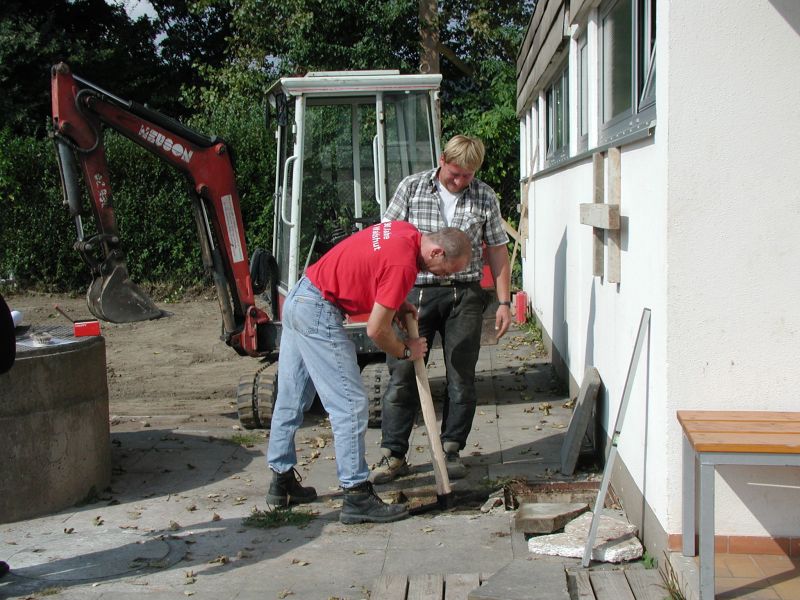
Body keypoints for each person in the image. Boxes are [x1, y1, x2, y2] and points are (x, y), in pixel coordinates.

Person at [266, 221, 472, 524]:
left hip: (301, 295)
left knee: (291, 397)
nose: (444, 276)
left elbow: (373, 266)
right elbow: (377, 330)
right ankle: (356, 495)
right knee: (349, 404)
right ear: (437, 251)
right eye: (447, 269)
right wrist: (406, 350)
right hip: (319, 309)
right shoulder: (404, 267)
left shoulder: (405, 231)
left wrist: (398, 303)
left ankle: (280, 480)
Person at [371, 134, 511, 484]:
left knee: (461, 375)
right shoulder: (412, 188)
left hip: (464, 295)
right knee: (402, 373)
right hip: (415, 291)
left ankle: (450, 448)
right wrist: (390, 293)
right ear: (442, 160)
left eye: (468, 175)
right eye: (455, 173)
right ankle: (393, 453)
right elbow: (386, 237)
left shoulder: (485, 196)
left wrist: (504, 301)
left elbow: (496, 249)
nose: (460, 181)